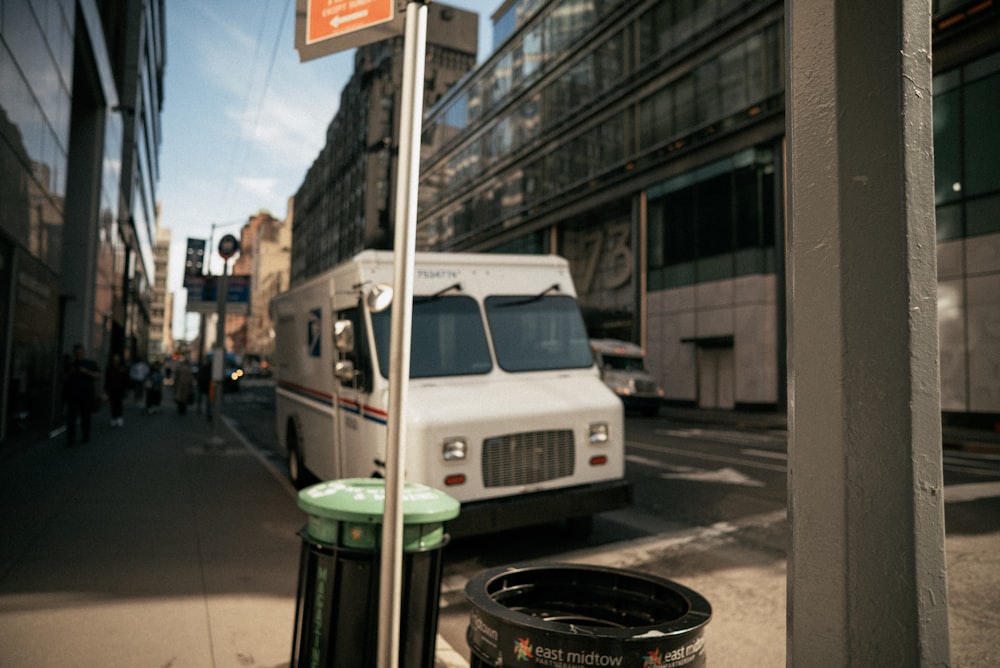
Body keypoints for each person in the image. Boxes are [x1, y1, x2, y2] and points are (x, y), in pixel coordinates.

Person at [63, 344, 101, 445]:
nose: (79, 355)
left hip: (86, 395)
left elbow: (97, 376)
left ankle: (85, 435)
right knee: (71, 418)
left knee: (85, 417)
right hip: (73, 395)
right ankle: (70, 439)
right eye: (77, 353)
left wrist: (86, 372)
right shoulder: (71, 364)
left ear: (83, 353)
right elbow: (63, 378)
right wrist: (71, 373)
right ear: (74, 354)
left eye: (81, 353)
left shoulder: (90, 363)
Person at [104, 354, 129, 426]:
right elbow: (107, 379)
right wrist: (106, 389)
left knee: (119, 403)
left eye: (117, 360)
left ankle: (119, 417)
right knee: (113, 404)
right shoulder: (109, 368)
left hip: (120, 389)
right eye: (114, 360)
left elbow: (125, 379)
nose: (116, 361)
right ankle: (114, 418)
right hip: (112, 389)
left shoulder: (122, 368)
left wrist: (125, 388)